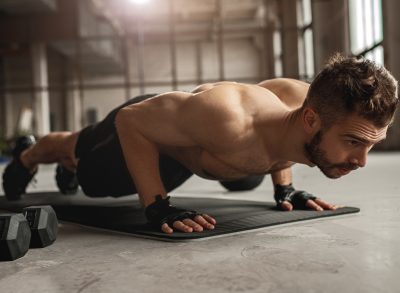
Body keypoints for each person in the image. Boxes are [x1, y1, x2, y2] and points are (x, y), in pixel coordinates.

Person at [2, 54, 398, 234]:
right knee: (83, 162)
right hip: (150, 127)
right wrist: (157, 207)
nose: (361, 160)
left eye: (370, 145)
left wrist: (285, 188)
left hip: (194, 146)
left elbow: (284, 138)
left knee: (241, 177)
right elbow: (131, 121)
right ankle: (30, 152)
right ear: (312, 119)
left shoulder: (305, 106)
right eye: (352, 143)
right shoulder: (228, 120)